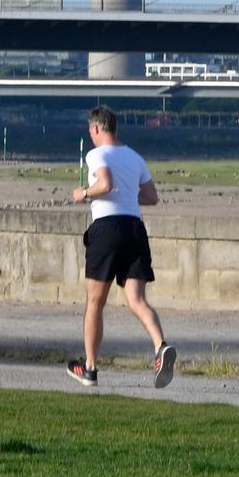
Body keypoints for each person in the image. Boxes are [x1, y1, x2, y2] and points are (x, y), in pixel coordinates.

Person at [68, 105, 176, 389]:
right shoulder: (134, 157)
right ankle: (160, 346)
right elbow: (151, 197)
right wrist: (127, 194)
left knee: (95, 302)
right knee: (136, 299)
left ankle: (89, 367)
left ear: (96, 129)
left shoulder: (97, 153)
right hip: (134, 228)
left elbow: (105, 183)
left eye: (90, 131)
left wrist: (84, 194)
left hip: (107, 228)